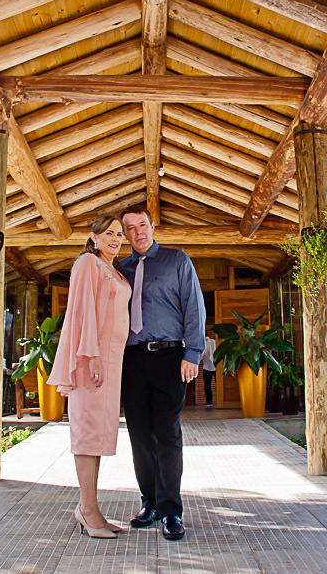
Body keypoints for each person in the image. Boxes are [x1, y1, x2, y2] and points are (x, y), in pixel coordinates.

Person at [118, 204, 205, 541]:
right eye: (130, 228)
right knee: (139, 435)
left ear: (152, 226)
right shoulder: (120, 269)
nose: (137, 232)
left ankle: (171, 511)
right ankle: (149, 503)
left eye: (142, 225)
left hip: (170, 357)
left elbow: (193, 306)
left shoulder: (177, 260)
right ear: (125, 234)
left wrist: (192, 353)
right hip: (131, 360)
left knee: (167, 434)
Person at [46, 212, 131, 539]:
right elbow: (82, 311)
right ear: (94, 237)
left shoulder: (114, 270)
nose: (115, 239)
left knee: (98, 433)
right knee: (86, 432)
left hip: (111, 360)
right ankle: (87, 509)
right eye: (109, 233)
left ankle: (91, 507)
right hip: (91, 359)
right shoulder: (87, 263)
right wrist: (92, 356)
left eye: (119, 234)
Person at [200, 336, 217, 408]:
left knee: (207, 385)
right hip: (217, 366)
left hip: (207, 367)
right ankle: (221, 401)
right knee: (219, 384)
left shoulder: (203, 343)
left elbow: (201, 355)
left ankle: (209, 402)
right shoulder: (214, 341)